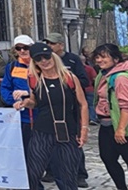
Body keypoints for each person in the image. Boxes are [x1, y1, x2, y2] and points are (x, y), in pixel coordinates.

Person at [16, 43, 89, 190]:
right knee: (33, 172)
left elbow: (83, 104)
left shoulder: (69, 78)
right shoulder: (34, 79)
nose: (44, 61)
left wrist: (84, 129)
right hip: (42, 131)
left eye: (46, 56)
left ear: (53, 56)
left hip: (67, 131)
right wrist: (24, 103)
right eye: (39, 59)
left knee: (67, 176)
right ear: (34, 62)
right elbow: (34, 102)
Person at [92, 43, 128, 190]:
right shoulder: (103, 75)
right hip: (107, 123)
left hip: (124, 124)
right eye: (97, 57)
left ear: (116, 59)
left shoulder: (122, 78)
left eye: (104, 57)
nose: (99, 60)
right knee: (108, 157)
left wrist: (121, 129)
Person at [43, 33, 90, 187]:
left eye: (52, 43)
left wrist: (65, 84)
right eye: (47, 43)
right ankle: (51, 170)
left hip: (70, 107)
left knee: (73, 139)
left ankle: (80, 173)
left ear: (61, 45)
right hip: (51, 107)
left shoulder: (72, 59)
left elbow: (84, 80)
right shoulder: (43, 61)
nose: (49, 46)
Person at [0, 35, 38, 178]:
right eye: (19, 48)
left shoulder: (40, 64)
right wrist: (12, 101)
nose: (22, 51)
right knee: (25, 147)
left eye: (25, 48)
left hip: (40, 113)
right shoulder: (12, 67)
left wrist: (28, 93)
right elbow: (5, 87)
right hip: (22, 115)